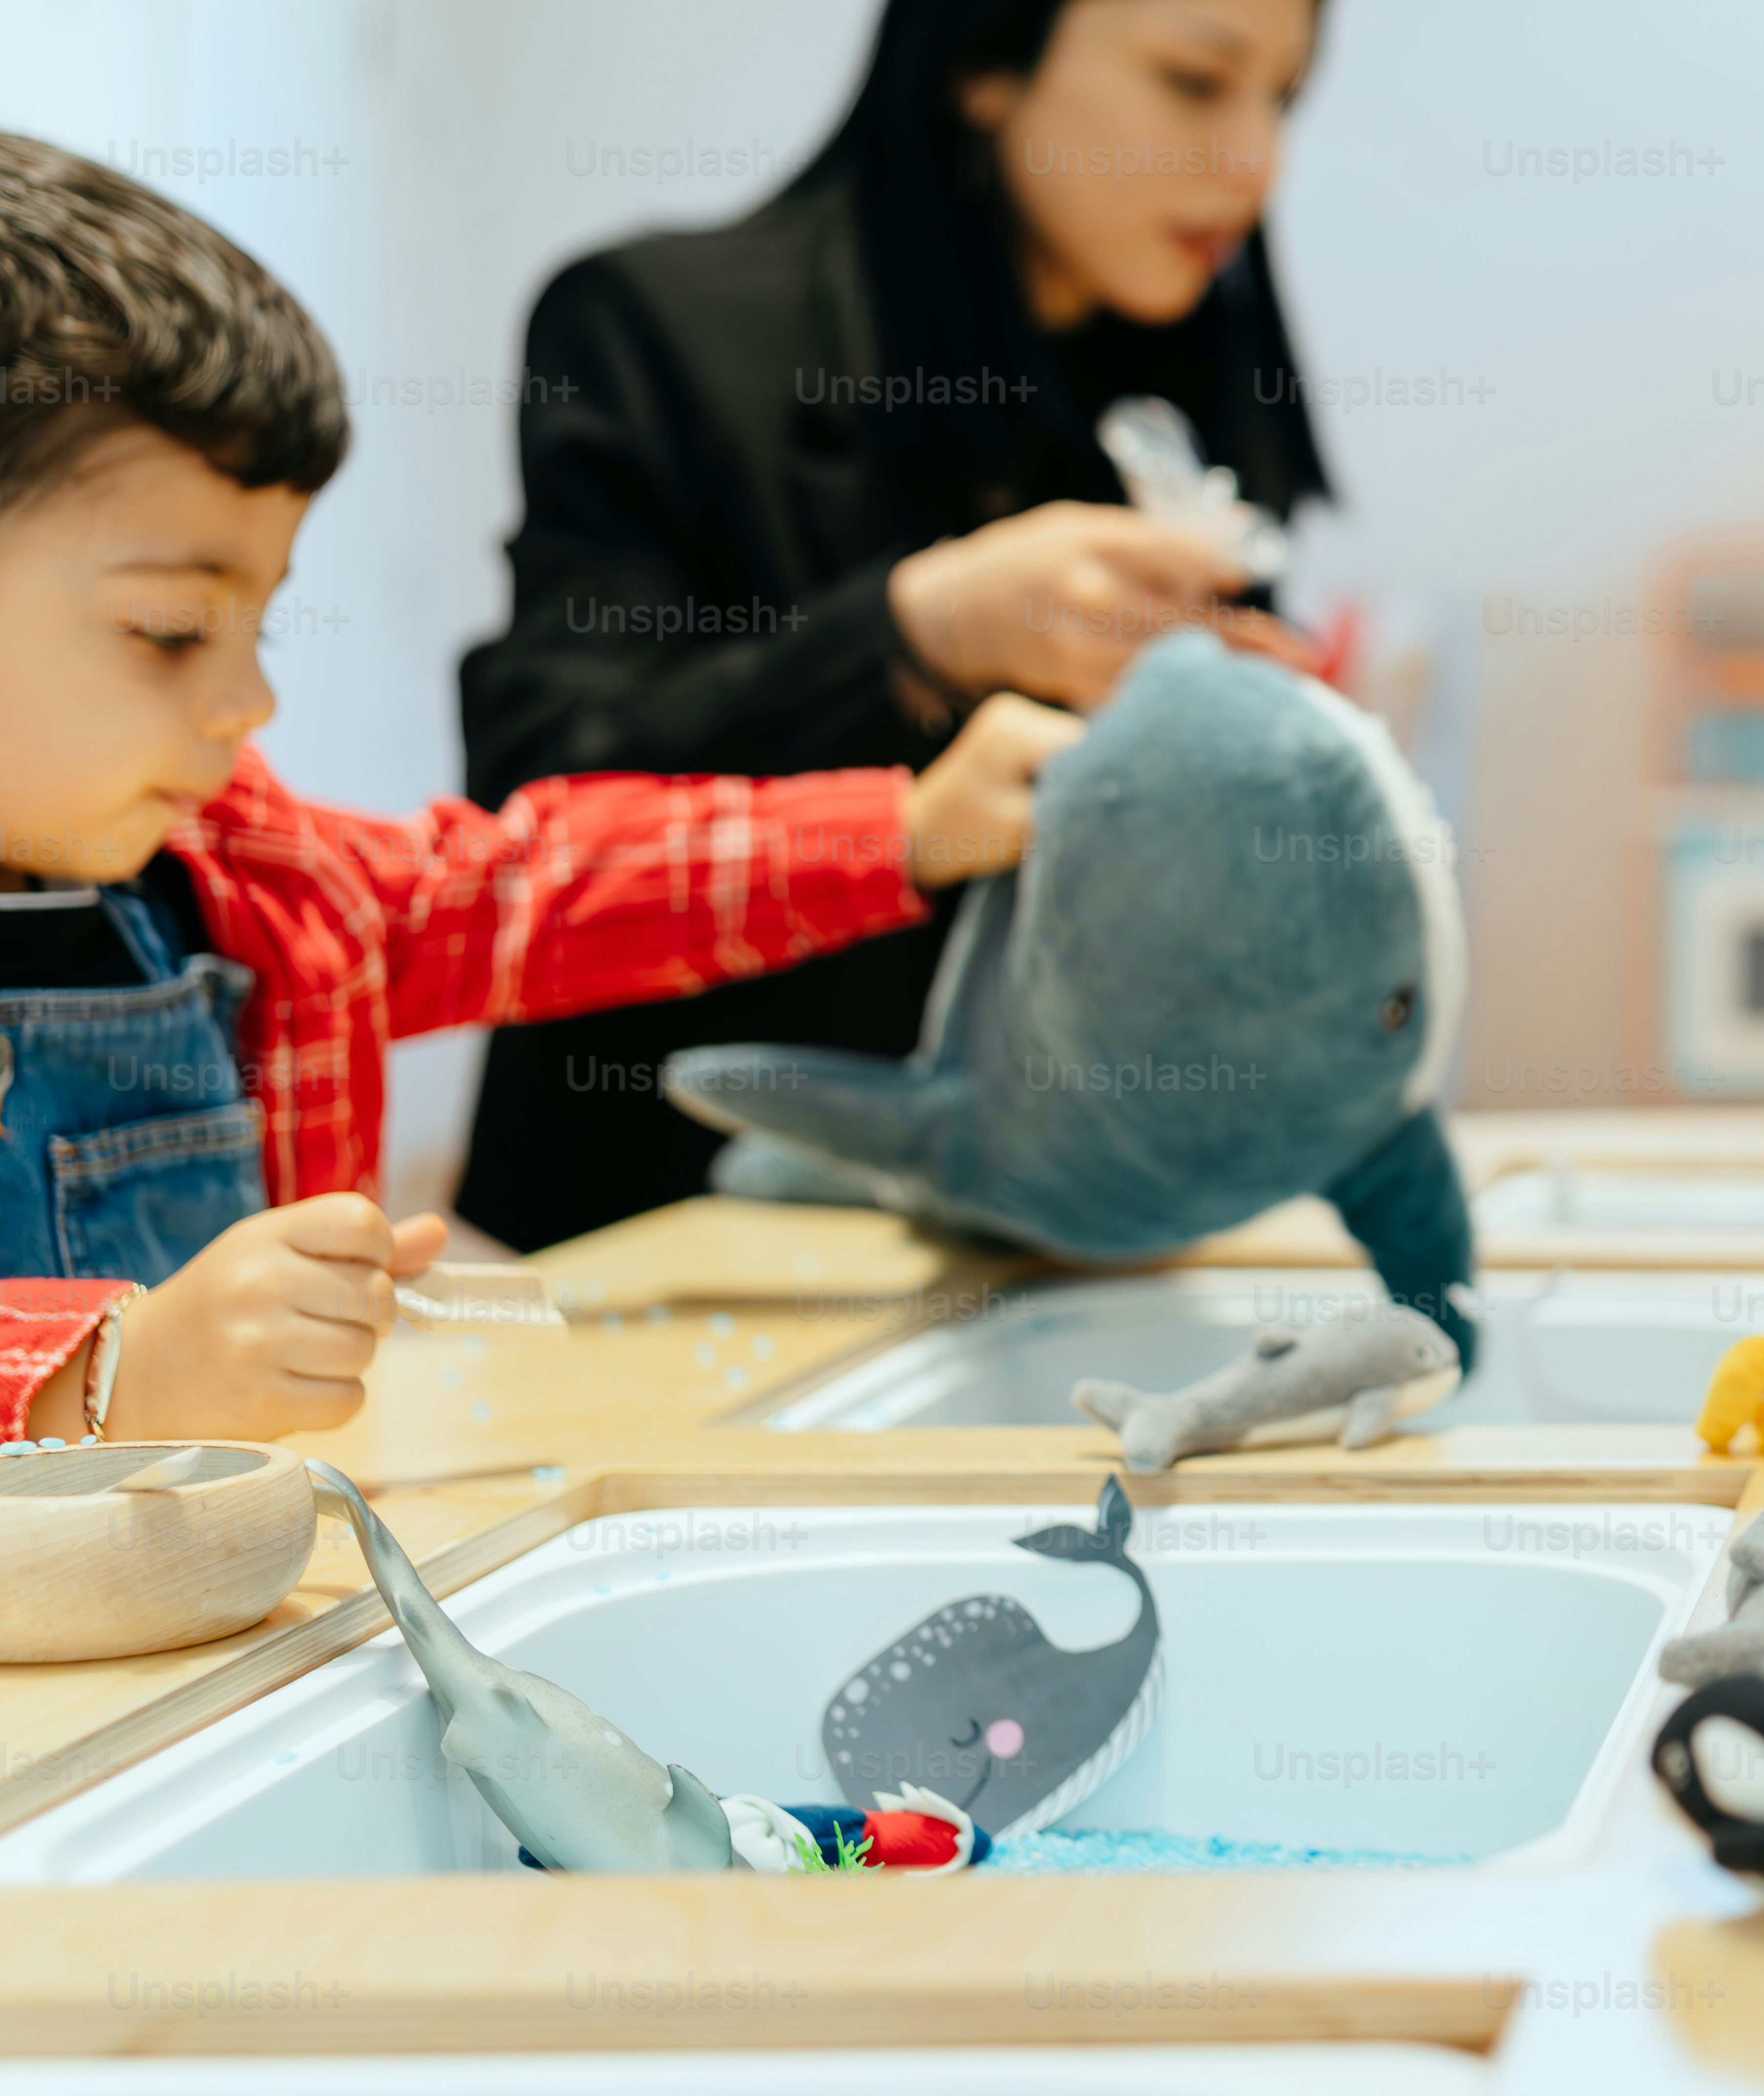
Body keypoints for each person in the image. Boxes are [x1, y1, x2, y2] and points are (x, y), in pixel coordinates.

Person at [0, 139, 1063, 1445]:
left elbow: (533, 887)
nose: (248, 704)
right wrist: (97, 1377)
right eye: (169, 630)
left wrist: (908, 827)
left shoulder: (250, 876)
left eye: (259, 628)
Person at [454, 0, 1339, 1245]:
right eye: (1197, 81)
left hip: (1058, 1226)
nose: (1254, 157)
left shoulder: (1179, 388)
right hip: (662, 1216)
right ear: (989, 54)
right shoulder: (656, 327)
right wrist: (918, 630)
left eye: (1284, 97)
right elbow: (542, 787)